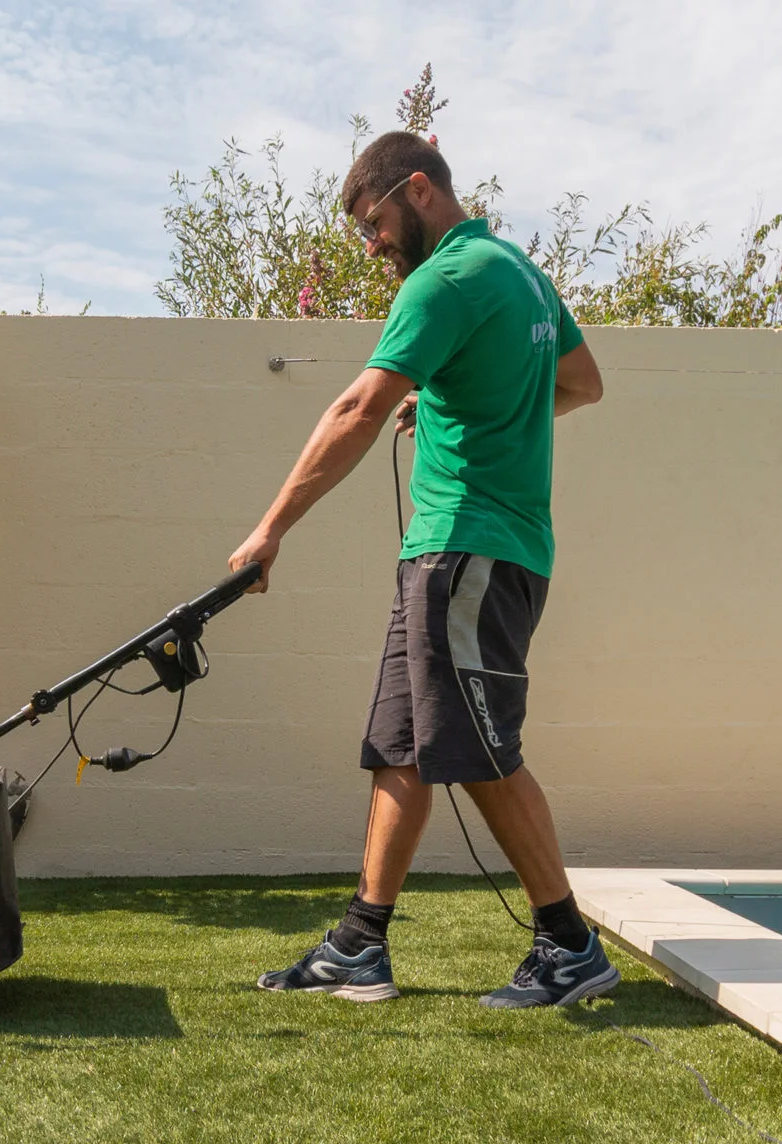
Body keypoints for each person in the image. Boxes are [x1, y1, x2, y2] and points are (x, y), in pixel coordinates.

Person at [228, 130, 613, 1010]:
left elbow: (360, 406)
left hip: (468, 547)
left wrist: (270, 529)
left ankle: (570, 944)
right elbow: (583, 382)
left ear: (417, 189)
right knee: (402, 745)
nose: (372, 245)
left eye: (373, 222)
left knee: (479, 750)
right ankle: (362, 943)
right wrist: (470, 404)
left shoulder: (442, 280)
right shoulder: (519, 273)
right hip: (466, 548)